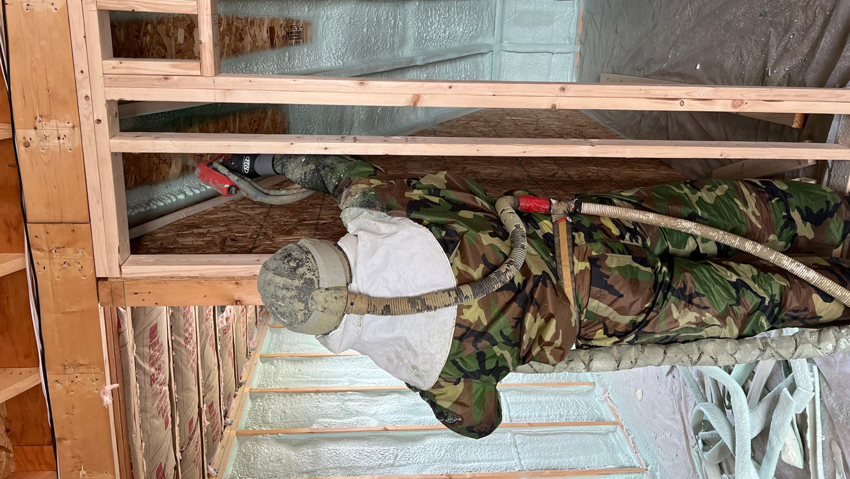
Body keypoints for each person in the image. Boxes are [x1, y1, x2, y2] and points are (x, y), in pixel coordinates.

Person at [215, 154, 850, 439]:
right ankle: (839, 222)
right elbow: (335, 172)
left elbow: (483, 424)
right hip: (593, 227)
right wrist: (261, 161)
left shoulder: (433, 370)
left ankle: (839, 295)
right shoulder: (386, 214)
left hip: (615, 307)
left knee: (755, 300)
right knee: (736, 214)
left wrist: (426, 380)